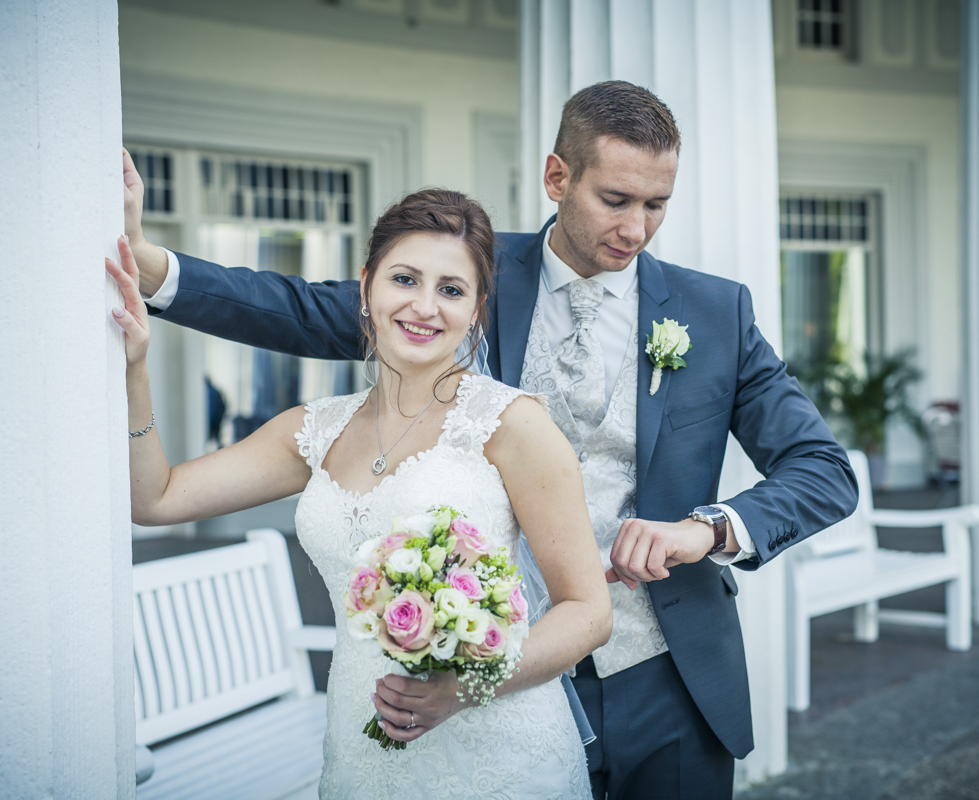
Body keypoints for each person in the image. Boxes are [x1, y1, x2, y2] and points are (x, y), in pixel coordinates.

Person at [122, 81, 858, 800]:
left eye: (656, 205)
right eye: (615, 200)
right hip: (477, 680)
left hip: (663, 672)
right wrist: (148, 264)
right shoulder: (464, 275)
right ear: (556, 177)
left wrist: (706, 530)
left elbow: (822, 470)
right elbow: (301, 309)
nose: (636, 229)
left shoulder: (714, 312)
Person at [107, 189, 612, 800]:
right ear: (367, 285)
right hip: (362, 747)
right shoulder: (313, 431)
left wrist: (465, 686)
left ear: (478, 307)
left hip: (501, 758)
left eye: (452, 290)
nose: (425, 307)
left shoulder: (514, 425)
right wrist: (134, 367)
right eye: (405, 279)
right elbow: (155, 498)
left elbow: (588, 612)